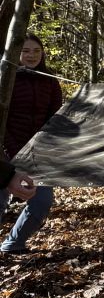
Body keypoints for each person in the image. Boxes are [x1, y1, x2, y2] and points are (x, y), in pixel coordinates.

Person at [1, 34, 63, 254]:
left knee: (42, 201)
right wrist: (10, 151)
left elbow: (55, 117)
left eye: (37, 51)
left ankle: (13, 244)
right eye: (26, 51)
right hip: (5, 153)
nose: (31, 55)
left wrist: (48, 147)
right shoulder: (5, 77)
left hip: (38, 154)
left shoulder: (50, 80)